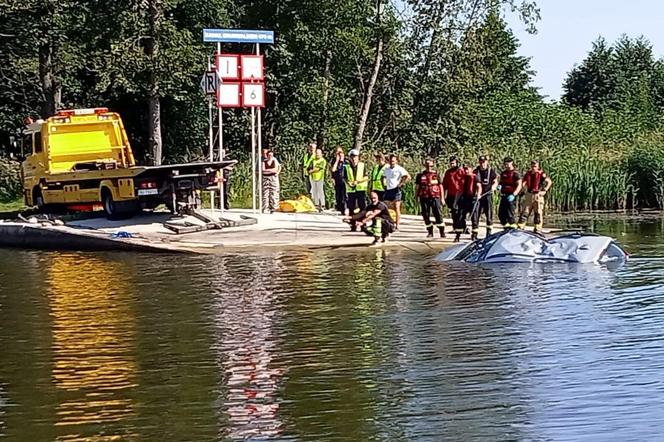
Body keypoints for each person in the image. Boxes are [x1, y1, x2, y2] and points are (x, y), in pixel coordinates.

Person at [518, 160, 553, 232]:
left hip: (538, 195)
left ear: (538, 167)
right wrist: (522, 190)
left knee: (538, 213)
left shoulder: (541, 174)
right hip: (529, 194)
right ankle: (520, 227)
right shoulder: (527, 174)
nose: (534, 168)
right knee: (525, 212)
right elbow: (523, 183)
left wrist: (544, 190)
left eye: (535, 166)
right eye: (532, 166)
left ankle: (537, 229)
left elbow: (549, 182)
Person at [415, 158, 445, 238]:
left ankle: (442, 231)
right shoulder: (420, 175)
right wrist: (416, 197)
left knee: (438, 214)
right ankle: (430, 231)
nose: (429, 167)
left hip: (435, 197)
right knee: (426, 215)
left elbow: (441, 186)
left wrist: (442, 198)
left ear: (433, 165)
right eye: (427, 165)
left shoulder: (436, 175)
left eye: (430, 166)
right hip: (424, 197)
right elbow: (417, 187)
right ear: (424, 165)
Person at [471, 155, 498, 240]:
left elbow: (495, 181)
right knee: (475, 214)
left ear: (487, 162)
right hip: (478, 196)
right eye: (481, 162)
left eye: (484, 162)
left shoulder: (491, 171)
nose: (483, 163)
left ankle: (489, 234)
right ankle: (474, 234)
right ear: (479, 162)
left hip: (487, 195)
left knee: (489, 214)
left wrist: (494, 186)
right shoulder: (475, 171)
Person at [442, 155, 467, 242]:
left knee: (461, 212)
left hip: (461, 194)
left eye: (453, 163)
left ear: (457, 163)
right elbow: (444, 184)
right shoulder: (448, 172)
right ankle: (456, 227)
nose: (452, 165)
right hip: (451, 195)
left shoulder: (462, 171)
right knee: (454, 212)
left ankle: (462, 227)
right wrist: (443, 196)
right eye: (451, 163)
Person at [383, 154, 411, 228]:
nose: (392, 162)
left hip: (396, 190)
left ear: (396, 161)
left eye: (393, 161)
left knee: (396, 207)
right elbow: (383, 177)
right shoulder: (387, 169)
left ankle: (397, 225)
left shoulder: (399, 169)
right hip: (388, 189)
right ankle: (389, 222)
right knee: (386, 207)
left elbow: (408, 177)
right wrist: (384, 185)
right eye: (391, 161)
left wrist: (401, 184)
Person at [344, 149, 368, 228]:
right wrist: (348, 182)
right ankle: (353, 224)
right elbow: (344, 178)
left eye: (355, 157)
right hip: (351, 190)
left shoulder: (362, 165)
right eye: (352, 157)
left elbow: (366, 177)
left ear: (358, 157)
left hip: (361, 189)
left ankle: (362, 223)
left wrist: (358, 181)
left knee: (362, 207)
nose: (354, 159)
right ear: (350, 158)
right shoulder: (346, 167)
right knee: (351, 207)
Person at [498, 157, 522, 229]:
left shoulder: (515, 173)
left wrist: (514, 194)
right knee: (501, 214)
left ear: (511, 163)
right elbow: (501, 182)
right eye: (505, 163)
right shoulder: (503, 173)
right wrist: (499, 186)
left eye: (508, 163)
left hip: (511, 196)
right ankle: (506, 227)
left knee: (510, 214)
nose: (506, 165)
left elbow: (519, 185)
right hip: (504, 195)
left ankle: (513, 228)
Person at [330, 146, 347, 215]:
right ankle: (340, 209)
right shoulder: (334, 160)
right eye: (338, 152)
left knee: (345, 195)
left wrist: (342, 160)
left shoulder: (346, 160)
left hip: (345, 180)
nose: (339, 154)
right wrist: (337, 160)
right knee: (338, 195)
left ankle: (345, 209)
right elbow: (333, 170)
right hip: (337, 180)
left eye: (341, 152)